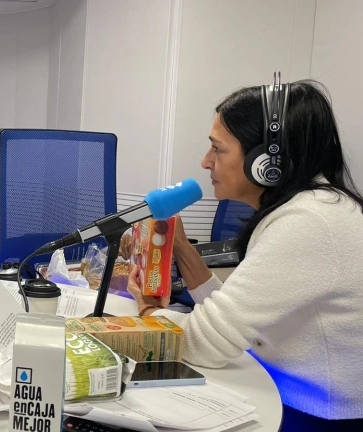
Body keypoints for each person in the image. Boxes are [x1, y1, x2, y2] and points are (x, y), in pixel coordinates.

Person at [128, 79, 363, 430]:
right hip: (286, 395)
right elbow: (237, 315)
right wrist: (179, 246)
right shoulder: (312, 208)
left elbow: (203, 342)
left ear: (265, 161)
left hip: (314, 417)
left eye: (218, 149)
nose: (205, 161)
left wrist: (147, 309)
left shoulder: (309, 222)